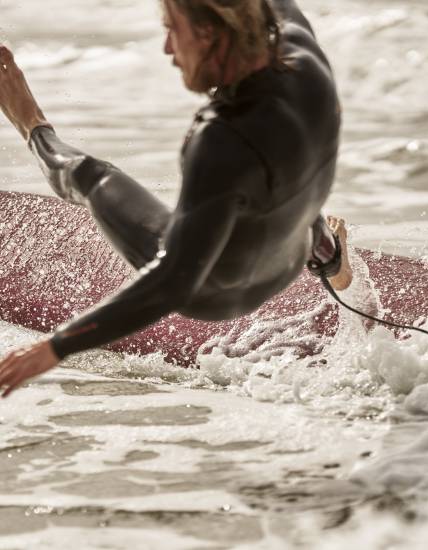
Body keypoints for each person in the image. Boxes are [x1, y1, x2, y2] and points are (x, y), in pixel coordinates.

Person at [0, 0, 352, 397]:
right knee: (280, 149)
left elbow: (173, 281)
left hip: (218, 291)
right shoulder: (302, 52)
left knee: (90, 177)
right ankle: (326, 251)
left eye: (172, 29)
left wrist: (55, 346)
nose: (168, 49)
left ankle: (29, 121)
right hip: (291, 251)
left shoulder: (221, 141)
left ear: (208, 32)